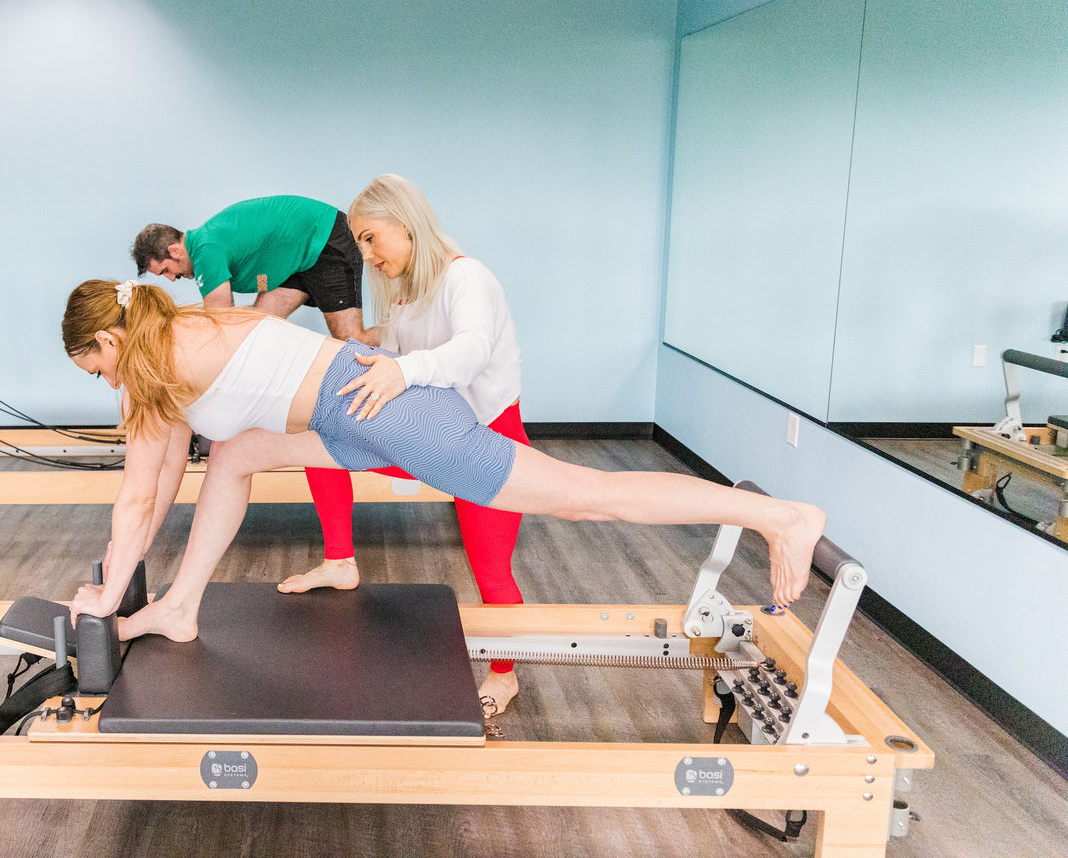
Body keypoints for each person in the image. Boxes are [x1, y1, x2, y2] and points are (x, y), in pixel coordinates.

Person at [61, 281, 827, 665]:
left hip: (383, 413)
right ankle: (181, 608)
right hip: (352, 406)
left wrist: (101, 597)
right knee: (233, 457)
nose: (102, 381)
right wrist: (122, 585)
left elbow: (140, 494)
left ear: (109, 339)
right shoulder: (187, 325)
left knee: (583, 499)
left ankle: (780, 517)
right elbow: (159, 484)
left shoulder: (154, 368)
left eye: (94, 365)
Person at [284, 174, 530, 717]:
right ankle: (339, 561)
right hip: (427, 428)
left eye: (371, 238)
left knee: (491, 571)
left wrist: (401, 369)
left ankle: (505, 676)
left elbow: (469, 352)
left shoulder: (469, 278)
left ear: (405, 224)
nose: (366, 255)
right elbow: (392, 349)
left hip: (485, 437)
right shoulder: (408, 292)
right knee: (317, 441)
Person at [131, 195, 370, 341]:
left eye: (166, 271)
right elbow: (263, 275)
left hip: (322, 240)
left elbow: (222, 322)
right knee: (257, 328)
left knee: (351, 340)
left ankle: (404, 337)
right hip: (294, 261)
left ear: (174, 251)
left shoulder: (206, 251)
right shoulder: (210, 245)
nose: (172, 279)